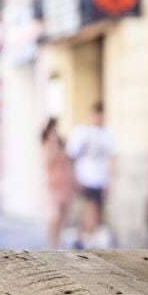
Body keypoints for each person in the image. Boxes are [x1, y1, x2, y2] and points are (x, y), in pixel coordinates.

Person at [66, 103, 116, 248]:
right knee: (89, 208)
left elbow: (113, 158)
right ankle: (86, 237)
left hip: (100, 180)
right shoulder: (83, 132)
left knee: (96, 210)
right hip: (85, 178)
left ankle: (85, 237)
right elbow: (71, 155)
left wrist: (110, 181)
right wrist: (74, 177)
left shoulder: (108, 134)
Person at [41, 119, 74, 249]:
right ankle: (51, 245)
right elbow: (48, 162)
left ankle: (58, 244)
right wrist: (54, 146)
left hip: (65, 185)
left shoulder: (63, 145)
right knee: (54, 217)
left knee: (62, 219)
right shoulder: (47, 145)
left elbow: (69, 164)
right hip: (52, 186)